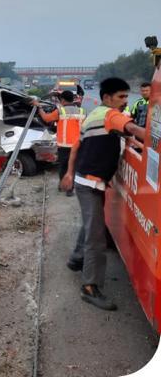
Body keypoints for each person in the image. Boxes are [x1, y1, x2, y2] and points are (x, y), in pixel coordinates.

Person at [61, 77, 146, 311]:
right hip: (89, 184)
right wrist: (152, 137)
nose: (124, 102)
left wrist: (69, 173)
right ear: (107, 98)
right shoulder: (110, 114)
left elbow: (77, 146)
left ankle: (76, 258)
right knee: (96, 238)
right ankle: (89, 287)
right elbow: (132, 128)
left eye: (127, 97)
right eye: (121, 97)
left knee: (92, 222)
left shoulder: (94, 115)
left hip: (85, 180)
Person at [38, 90, 83, 194]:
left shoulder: (60, 111)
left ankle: (63, 186)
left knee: (63, 167)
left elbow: (46, 118)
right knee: (73, 167)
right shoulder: (81, 111)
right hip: (78, 146)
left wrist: (39, 107)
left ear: (62, 100)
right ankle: (70, 190)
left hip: (64, 146)